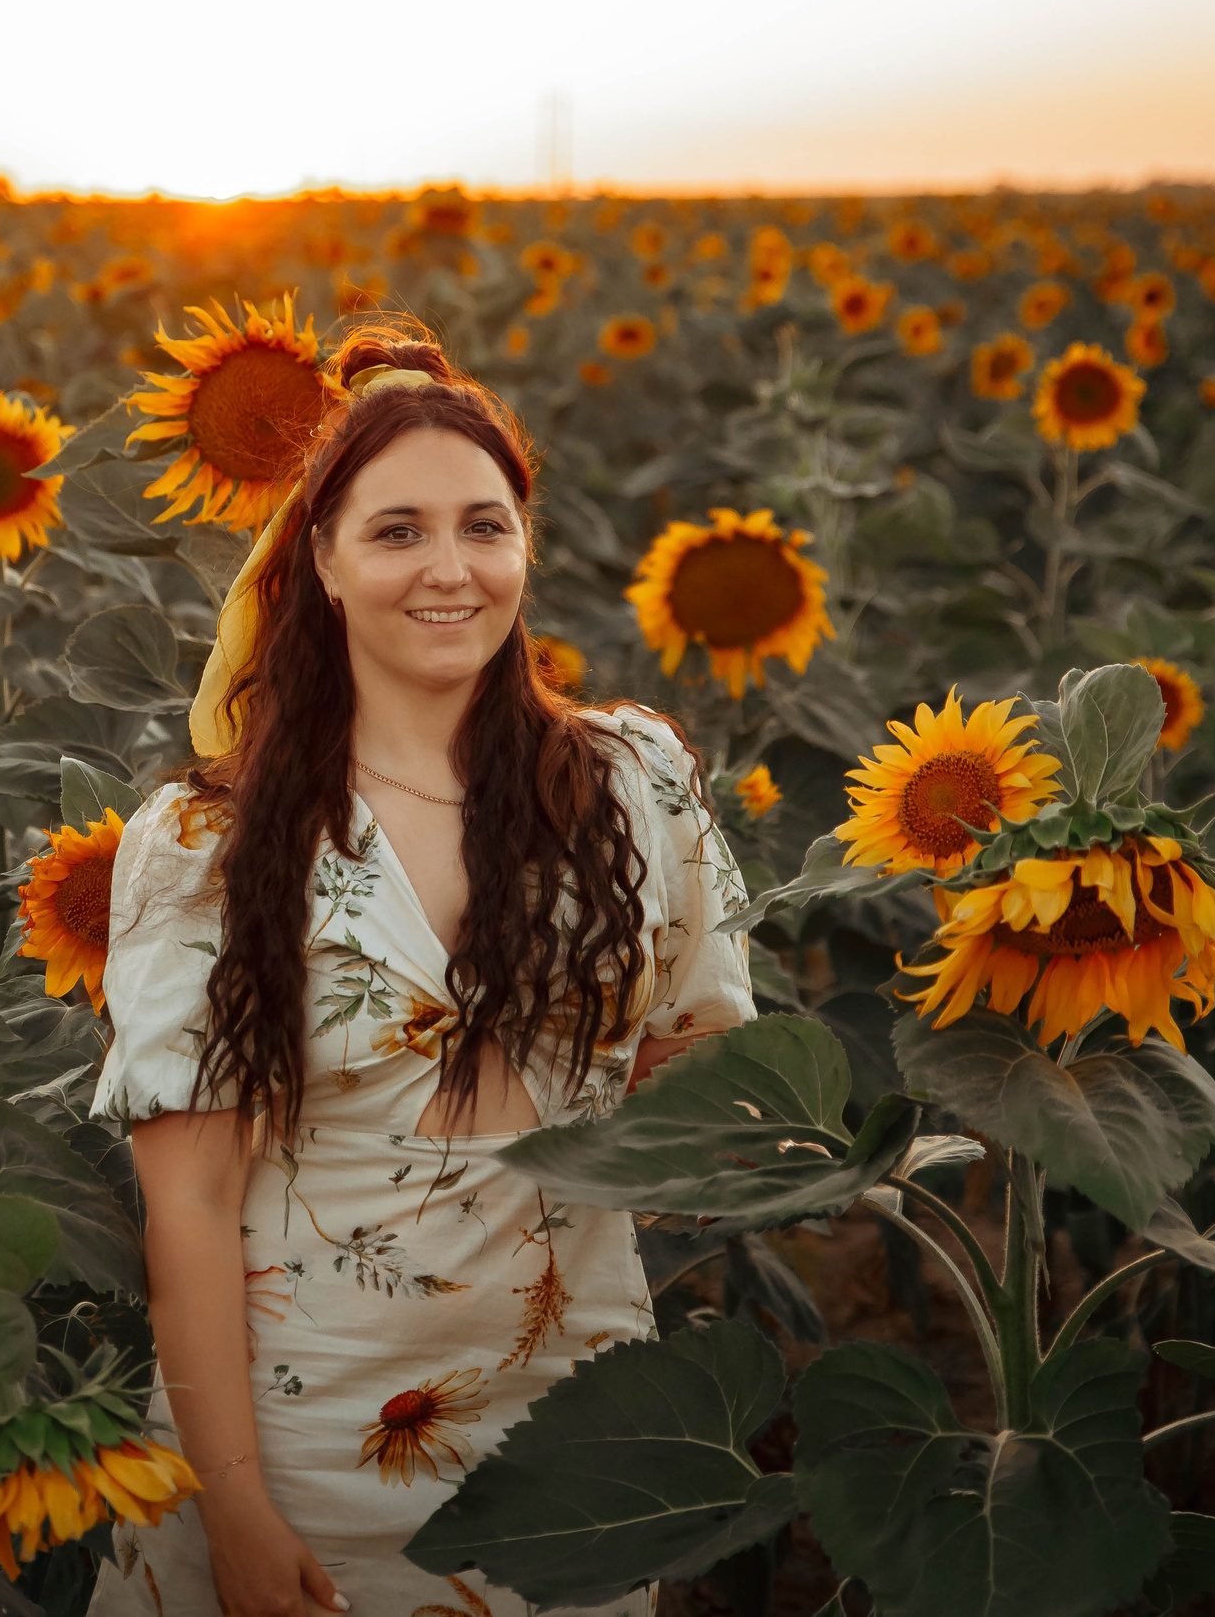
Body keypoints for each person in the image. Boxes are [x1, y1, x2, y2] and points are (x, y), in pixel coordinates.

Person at [83, 322, 755, 1616]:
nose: (450, 570)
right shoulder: (205, 845)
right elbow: (192, 1204)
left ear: (524, 548)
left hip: (567, 1436)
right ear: (319, 559)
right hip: (298, 1441)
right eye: (398, 532)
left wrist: (711, 1123)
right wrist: (234, 1514)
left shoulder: (638, 789)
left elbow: (706, 1056)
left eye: (483, 526)